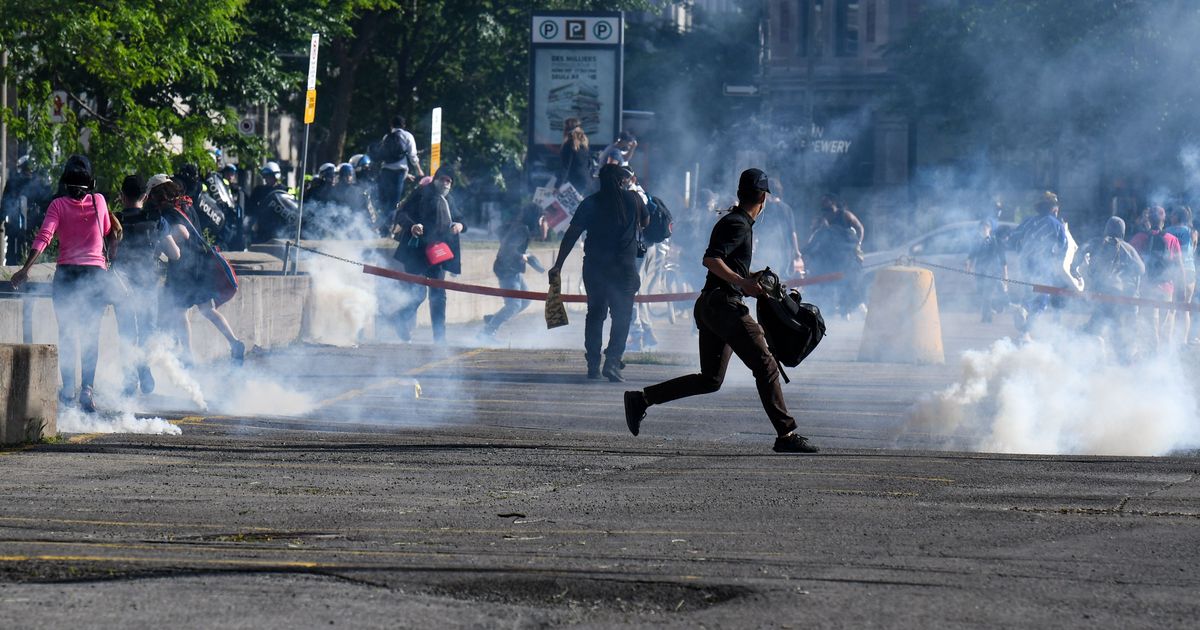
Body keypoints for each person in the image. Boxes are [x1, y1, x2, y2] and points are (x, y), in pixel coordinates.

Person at [622, 168, 819, 454]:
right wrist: (742, 283)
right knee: (765, 365)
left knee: (711, 379)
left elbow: (725, 264)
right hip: (723, 306)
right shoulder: (738, 224)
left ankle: (642, 399)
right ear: (762, 197)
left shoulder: (737, 222)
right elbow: (711, 260)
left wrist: (751, 278)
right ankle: (786, 434)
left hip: (712, 305)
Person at [9, 155, 116, 413]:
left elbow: (44, 237)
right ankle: (87, 390)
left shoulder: (57, 205)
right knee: (91, 335)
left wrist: (25, 269)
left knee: (68, 333)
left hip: (67, 275)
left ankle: (68, 391)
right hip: (94, 275)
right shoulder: (99, 201)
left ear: (65, 183)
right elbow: (106, 231)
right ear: (90, 182)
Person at [549, 164, 647, 381]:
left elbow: (572, 234)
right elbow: (646, 222)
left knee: (595, 315)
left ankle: (593, 363)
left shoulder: (590, 203)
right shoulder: (634, 199)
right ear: (622, 180)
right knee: (622, 317)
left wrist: (558, 265)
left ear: (599, 180)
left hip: (595, 268)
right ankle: (612, 362)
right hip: (624, 269)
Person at [148, 174, 246, 365]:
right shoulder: (186, 204)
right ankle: (234, 343)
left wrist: (161, 245)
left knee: (179, 311)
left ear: (158, 193)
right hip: (200, 263)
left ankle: (188, 357)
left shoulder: (169, 211)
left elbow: (182, 233)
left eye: (152, 194)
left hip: (184, 268)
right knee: (207, 309)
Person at [392, 168, 466, 343]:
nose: (446, 183)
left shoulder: (449, 199)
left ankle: (440, 339)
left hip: (439, 253)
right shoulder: (421, 193)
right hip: (417, 251)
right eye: (443, 179)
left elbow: (461, 219)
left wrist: (460, 226)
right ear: (436, 179)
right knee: (417, 293)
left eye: (449, 181)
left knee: (438, 295)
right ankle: (400, 320)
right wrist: (412, 226)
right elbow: (401, 214)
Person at [111, 174, 162, 395]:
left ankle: (130, 378)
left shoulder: (115, 220)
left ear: (122, 196)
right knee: (147, 330)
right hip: (147, 284)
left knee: (126, 332)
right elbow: (171, 250)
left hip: (122, 285)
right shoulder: (154, 219)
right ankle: (144, 367)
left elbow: (109, 252)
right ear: (145, 196)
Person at [1071, 216, 1144, 361]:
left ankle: (1108, 358)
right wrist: (1125, 272)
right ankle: (1121, 358)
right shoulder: (1127, 248)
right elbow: (1141, 269)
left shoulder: (1097, 242)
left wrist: (1074, 269)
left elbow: (1081, 250)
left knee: (1100, 325)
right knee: (1112, 325)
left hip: (1100, 293)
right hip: (1118, 295)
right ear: (1122, 231)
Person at [479, 204, 545, 342]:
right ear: (535, 217)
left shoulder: (520, 226)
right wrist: (521, 256)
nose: (541, 221)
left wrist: (522, 254)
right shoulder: (521, 229)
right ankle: (486, 333)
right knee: (514, 305)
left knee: (525, 301)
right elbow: (508, 248)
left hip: (512, 270)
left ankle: (494, 319)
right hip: (506, 270)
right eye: (541, 218)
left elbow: (501, 233)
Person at [1009, 191, 1069, 333]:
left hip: (1025, 264)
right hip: (1043, 266)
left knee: (1028, 293)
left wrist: (1021, 251)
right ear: (1054, 208)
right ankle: (1027, 327)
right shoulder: (1057, 225)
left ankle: (1023, 312)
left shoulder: (1028, 221)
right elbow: (1063, 248)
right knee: (1042, 298)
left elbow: (1013, 238)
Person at [1129, 205, 1185, 353]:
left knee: (1150, 324)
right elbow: (1179, 268)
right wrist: (1182, 291)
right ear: (1163, 220)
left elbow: (1130, 262)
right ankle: (1159, 358)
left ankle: (1152, 356)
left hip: (1147, 287)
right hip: (1167, 289)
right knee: (1162, 324)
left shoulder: (1139, 238)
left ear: (1148, 218)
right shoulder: (1172, 240)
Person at [376, 115, 424, 217]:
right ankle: (387, 228)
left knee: (384, 201)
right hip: (399, 172)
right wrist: (419, 170)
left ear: (391, 125)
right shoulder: (408, 136)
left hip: (385, 171)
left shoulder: (386, 137)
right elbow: (412, 156)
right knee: (394, 202)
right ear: (403, 125)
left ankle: (380, 226)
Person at [964, 219, 1008, 323]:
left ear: (990, 229)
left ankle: (987, 318)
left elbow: (1003, 260)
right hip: (980, 272)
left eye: (986, 227)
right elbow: (971, 256)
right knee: (982, 294)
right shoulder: (977, 243)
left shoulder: (996, 241)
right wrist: (968, 267)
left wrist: (1005, 275)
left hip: (992, 273)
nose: (984, 229)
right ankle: (989, 313)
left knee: (987, 295)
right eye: (982, 228)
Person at [1164, 205, 1196, 344]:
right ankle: (1183, 342)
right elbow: (1193, 250)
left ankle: (1169, 341)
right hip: (1189, 270)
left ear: (1177, 217)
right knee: (1186, 307)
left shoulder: (1167, 231)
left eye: (1172, 215)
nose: (1170, 217)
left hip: (1174, 271)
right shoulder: (1192, 232)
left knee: (1172, 307)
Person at [247, 161, 289, 244]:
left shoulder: (284, 190)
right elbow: (251, 208)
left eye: (269, 176)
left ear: (276, 176)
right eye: (265, 176)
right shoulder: (259, 190)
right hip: (262, 229)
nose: (266, 179)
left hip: (279, 229)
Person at [557, 117, 592, 194]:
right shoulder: (584, 145)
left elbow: (565, 167)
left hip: (575, 183)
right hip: (586, 181)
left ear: (566, 130)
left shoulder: (568, 145)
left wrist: (557, 186)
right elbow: (589, 163)